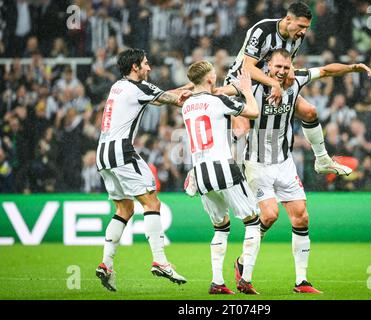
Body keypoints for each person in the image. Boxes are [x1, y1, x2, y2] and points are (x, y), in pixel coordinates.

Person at [230, 48, 371, 294]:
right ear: (268, 66)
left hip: (284, 162)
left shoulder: (297, 80)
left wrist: (352, 67)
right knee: (270, 215)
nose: (282, 71)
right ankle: (244, 269)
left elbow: (327, 70)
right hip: (257, 163)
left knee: (302, 217)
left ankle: (301, 281)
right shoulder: (251, 84)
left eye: (286, 67)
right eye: (278, 67)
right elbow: (225, 94)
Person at [95, 48, 191, 292]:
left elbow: (160, 98)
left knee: (125, 208)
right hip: (122, 152)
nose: (149, 68)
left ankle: (106, 264)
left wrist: (178, 95)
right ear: (135, 67)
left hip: (103, 153)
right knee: (152, 203)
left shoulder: (118, 86)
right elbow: (167, 98)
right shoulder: (137, 87)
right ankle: (160, 260)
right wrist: (196, 88)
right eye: (146, 64)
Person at [224, 1, 352, 176]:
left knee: (309, 111)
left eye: (307, 27)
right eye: (301, 26)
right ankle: (218, 171)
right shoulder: (262, 30)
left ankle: (322, 160)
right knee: (242, 129)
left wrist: (289, 71)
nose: (303, 31)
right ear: (288, 19)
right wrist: (275, 84)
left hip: (269, 85)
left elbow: (285, 62)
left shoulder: (297, 37)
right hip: (242, 83)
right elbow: (247, 67)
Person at [182, 61, 261, 295]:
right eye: (214, 73)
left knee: (220, 228)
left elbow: (204, 99)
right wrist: (246, 89)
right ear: (208, 79)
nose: (216, 76)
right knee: (252, 222)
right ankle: (245, 279)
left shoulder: (186, 105)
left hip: (201, 172)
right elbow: (253, 112)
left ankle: (217, 282)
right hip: (223, 167)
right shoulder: (219, 102)